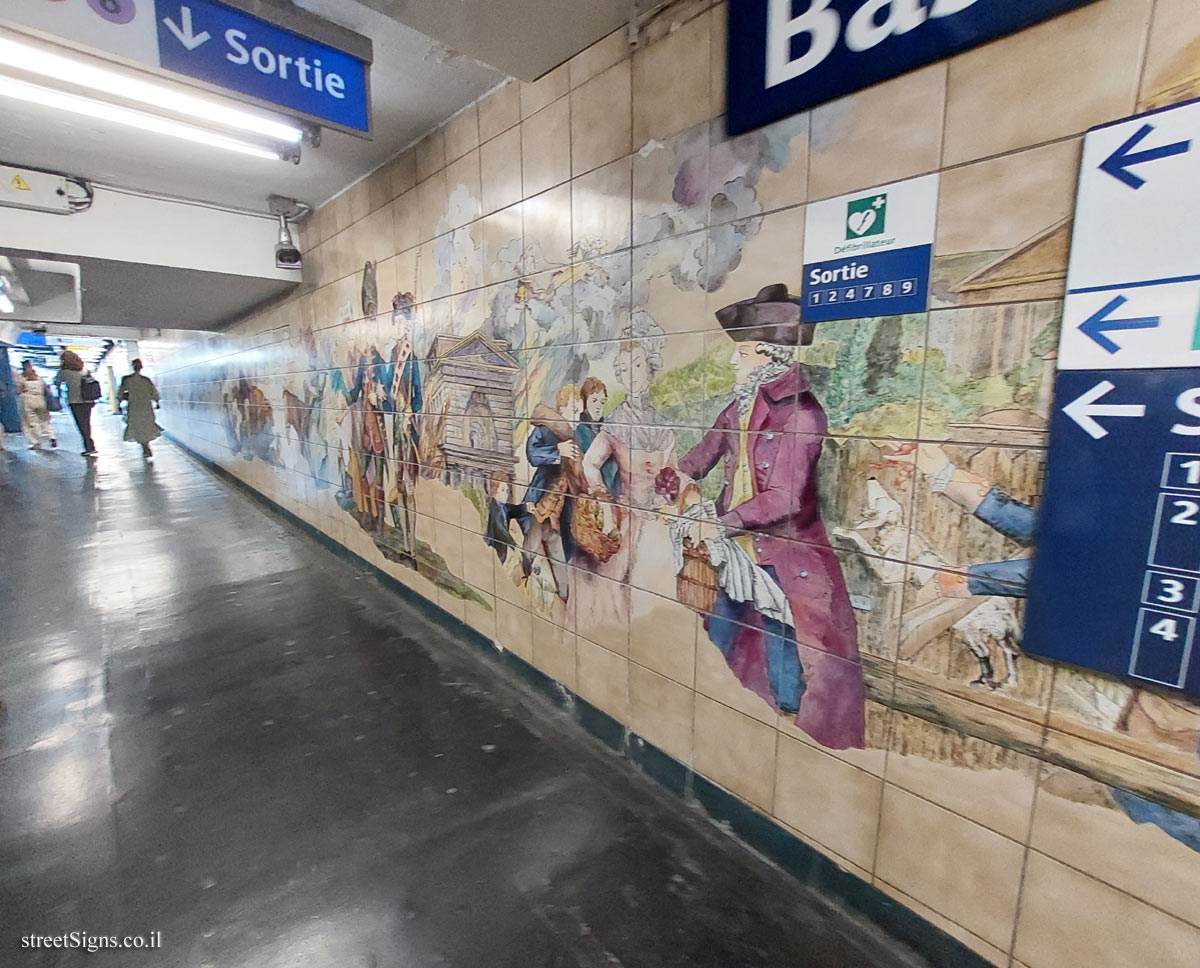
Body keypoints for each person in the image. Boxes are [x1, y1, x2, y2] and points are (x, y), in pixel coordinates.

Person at [673, 283, 866, 751]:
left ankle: (785, 751)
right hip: (733, 557)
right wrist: (666, 480)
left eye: (741, 354)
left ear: (767, 355)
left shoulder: (802, 416)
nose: (733, 363)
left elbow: (782, 499)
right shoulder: (741, 406)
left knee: (785, 670)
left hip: (784, 564)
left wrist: (719, 523)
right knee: (718, 646)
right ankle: (727, 742)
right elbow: (700, 457)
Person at [117, 359, 162, 458]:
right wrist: (157, 401)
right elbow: (154, 392)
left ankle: (145, 447)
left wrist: (119, 404)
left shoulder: (126, 379)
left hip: (134, 407)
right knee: (146, 426)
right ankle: (146, 446)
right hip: (146, 406)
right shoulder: (146, 380)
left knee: (137, 426)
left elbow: (120, 393)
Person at [55, 350, 96, 456]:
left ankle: (89, 447)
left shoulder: (64, 371)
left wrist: (59, 396)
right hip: (87, 400)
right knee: (86, 423)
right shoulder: (84, 369)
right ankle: (90, 445)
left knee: (81, 424)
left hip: (74, 401)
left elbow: (57, 382)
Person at [15, 360, 56, 450]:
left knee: (31, 423)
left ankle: (36, 442)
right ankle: (51, 436)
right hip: (41, 401)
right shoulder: (39, 379)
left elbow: (18, 391)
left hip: (28, 401)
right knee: (45, 420)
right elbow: (47, 388)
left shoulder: (22, 379)